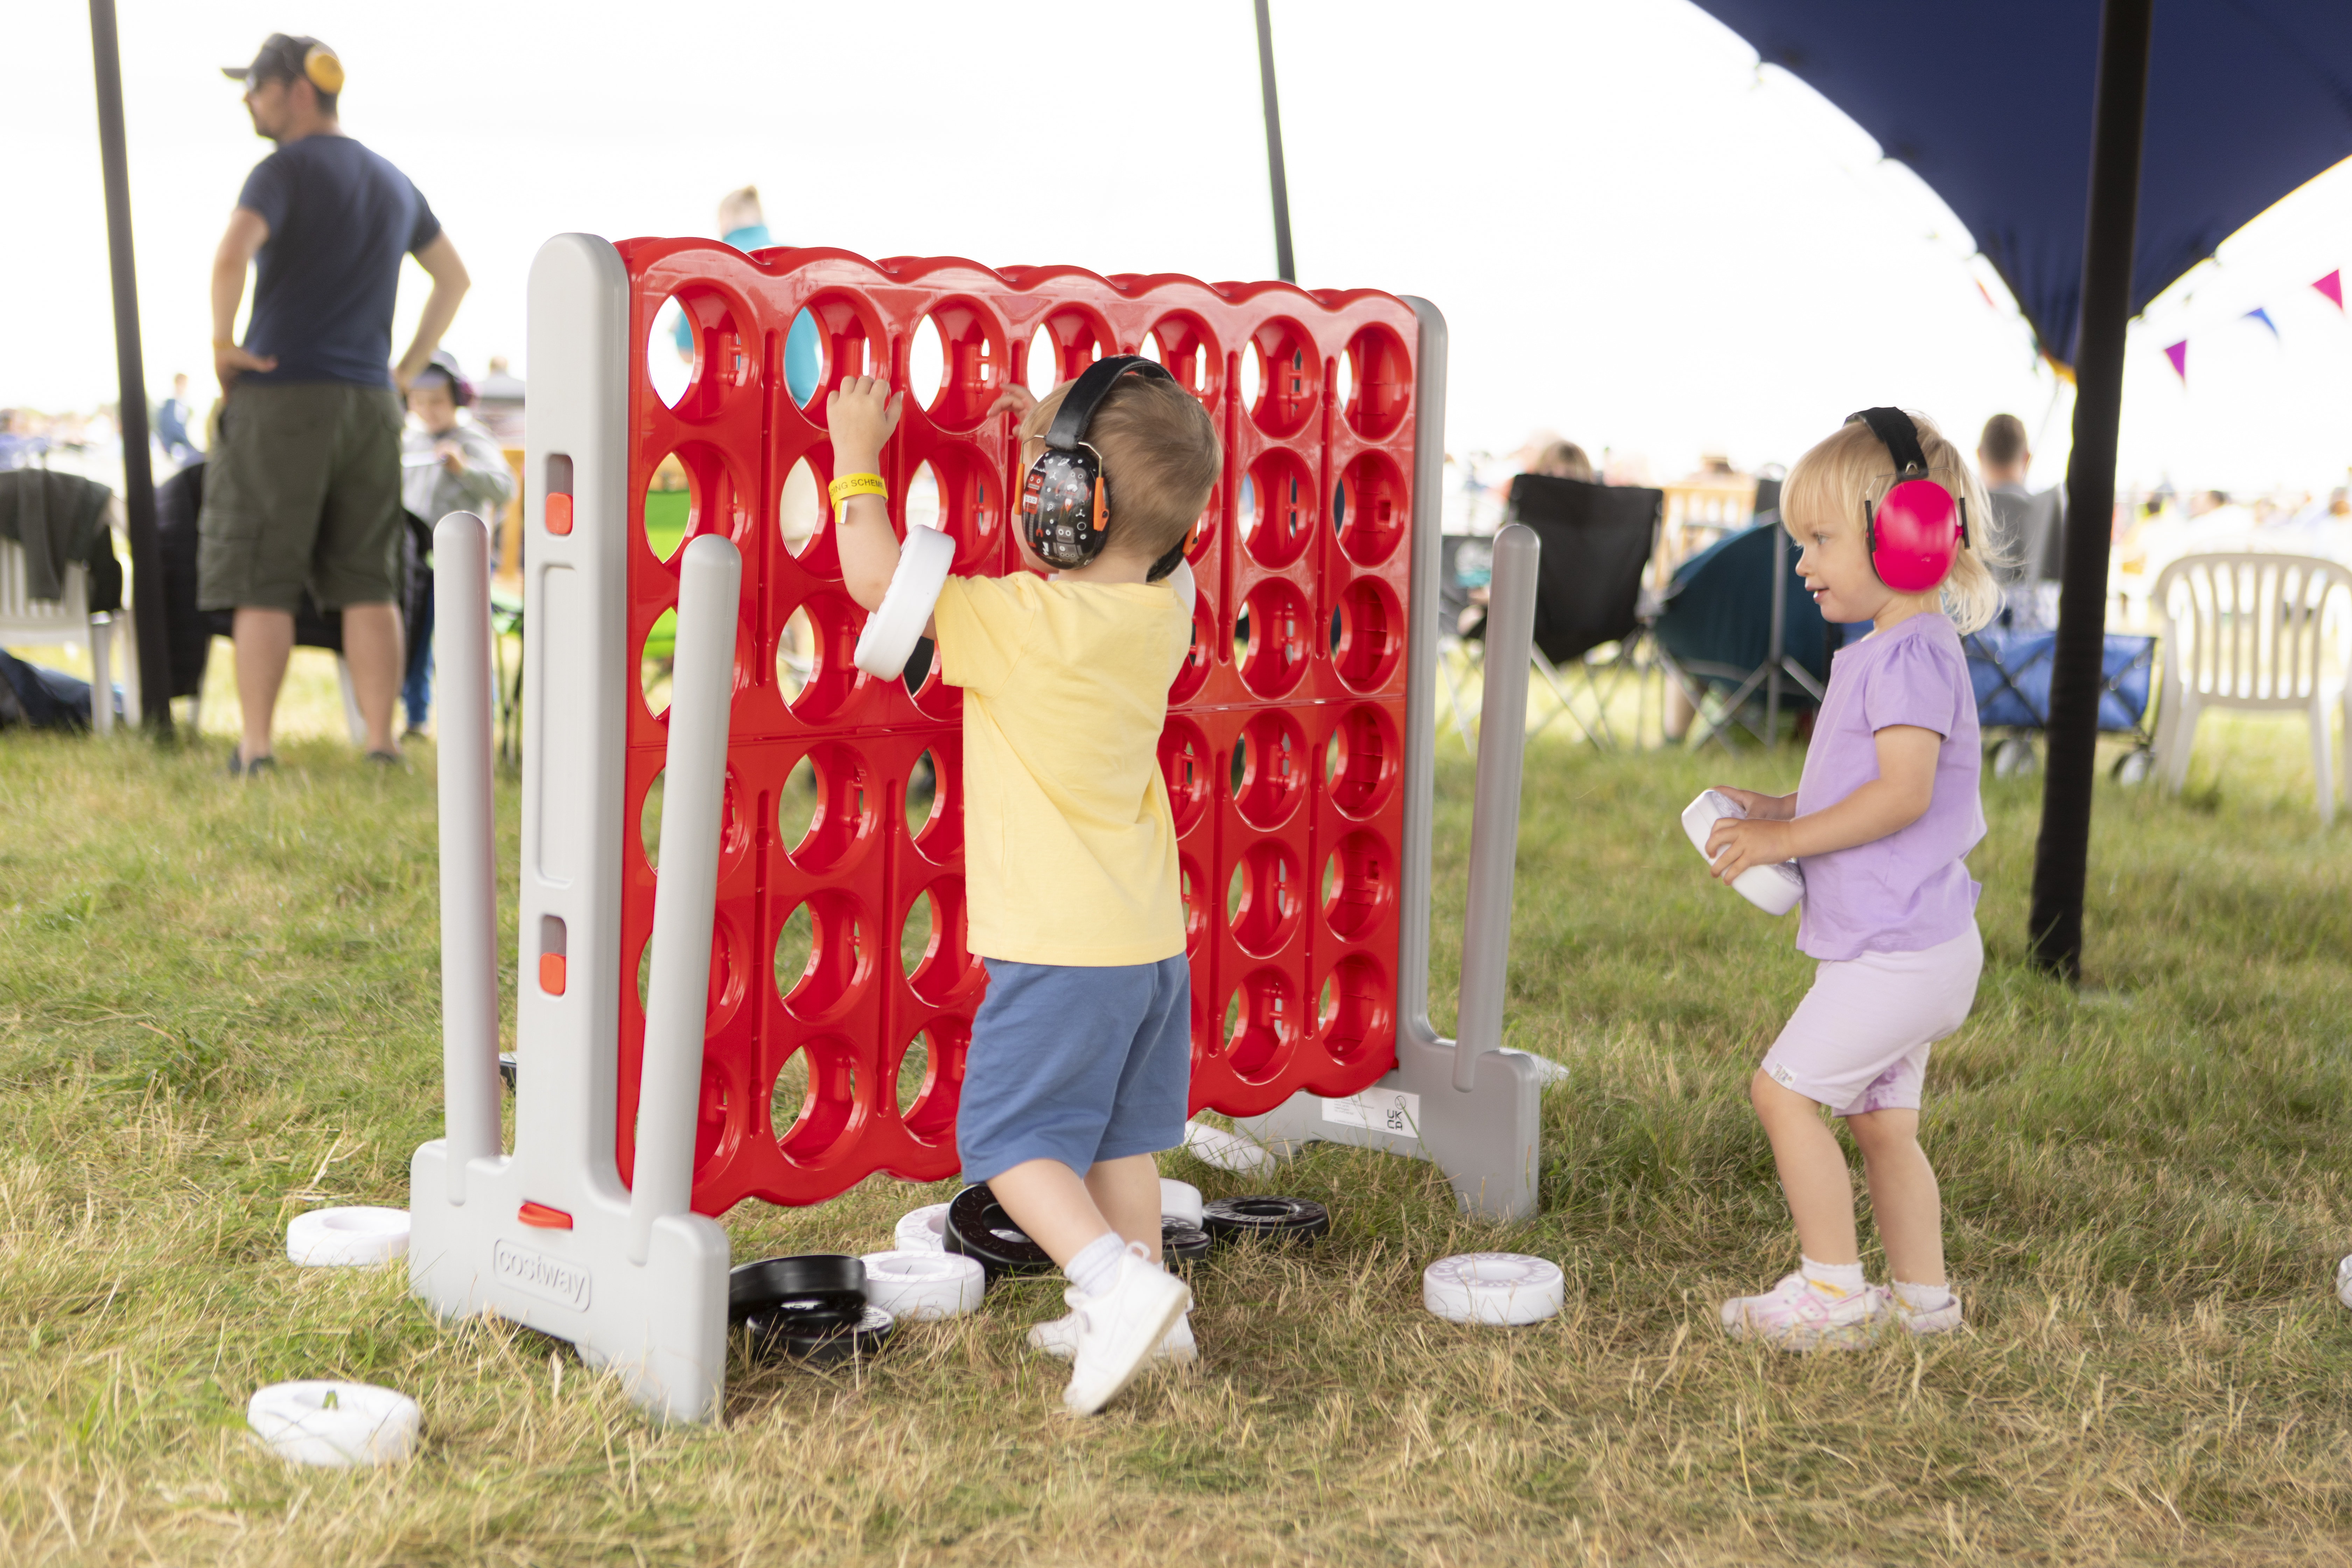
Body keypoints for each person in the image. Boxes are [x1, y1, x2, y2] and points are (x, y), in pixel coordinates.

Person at [828, 365, 1213, 1415]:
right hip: (1146, 941)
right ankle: (1151, 1318)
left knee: (1011, 1140)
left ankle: (1113, 1282)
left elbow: (876, 579)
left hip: (1060, 944)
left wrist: (854, 455)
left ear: (1067, 508)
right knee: (1117, 1135)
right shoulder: (1161, 612)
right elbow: (1150, 536)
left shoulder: (1019, 622)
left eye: (1045, 470)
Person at [1701, 408, 1998, 1350]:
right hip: (1917, 946)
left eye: (1821, 539)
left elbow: (1903, 796)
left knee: (1784, 1094)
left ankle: (1832, 1294)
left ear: (1906, 534)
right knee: (1884, 1127)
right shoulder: (1894, 650)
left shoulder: (1907, 656)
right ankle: (1925, 1302)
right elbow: (1861, 786)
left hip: (1894, 956)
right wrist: (1783, 808)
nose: (1803, 563)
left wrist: (1782, 845)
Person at [200, 33, 470, 775]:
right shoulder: (391, 181)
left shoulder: (280, 171)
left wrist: (222, 344)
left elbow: (230, 255)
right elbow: (454, 278)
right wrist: (405, 370)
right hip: (368, 404)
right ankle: (380, 743)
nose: (249, 102)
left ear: (295, 88)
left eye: (255, 87)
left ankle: (256, 748)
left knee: (264, 575)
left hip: (283, 397)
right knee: (369, 578)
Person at [400, 350, 514, 736]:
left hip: (463, 561)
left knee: (465, 641)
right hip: (416, 560)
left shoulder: (473, 439)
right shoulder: (410, 442)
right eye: (420, 402)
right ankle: (416, 716)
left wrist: (464, 468)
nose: (429, 410)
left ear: (457, 399)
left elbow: (505, 488)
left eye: (438, 402)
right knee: (414, 638)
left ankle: (481, 716)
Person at [672, 186, 821, 404]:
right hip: (805, 408)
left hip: (741, 416)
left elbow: (687, 353)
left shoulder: (709, 264)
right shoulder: (803, 262)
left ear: (725, 218)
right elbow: (817, 336)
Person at [155, 374, 200, 467]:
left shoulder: (186, 406)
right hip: (170, 449)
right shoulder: (168, 405)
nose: (184, 388)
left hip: (184, 445)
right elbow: (166, 428)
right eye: (182, 384)